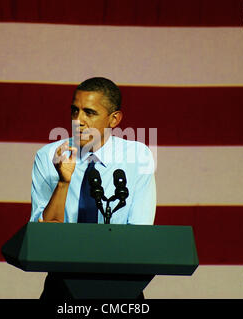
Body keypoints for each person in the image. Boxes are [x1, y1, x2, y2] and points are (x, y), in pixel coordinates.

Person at [29, 77, 156, 299]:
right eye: (74, 111)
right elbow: (42, 239)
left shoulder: (138, 157)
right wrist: (63, 182)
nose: (79, 121)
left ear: (114, 119)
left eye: (89, 112)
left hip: (121, 285)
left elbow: (140, 234)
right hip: (63, 286)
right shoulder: (48, 156)